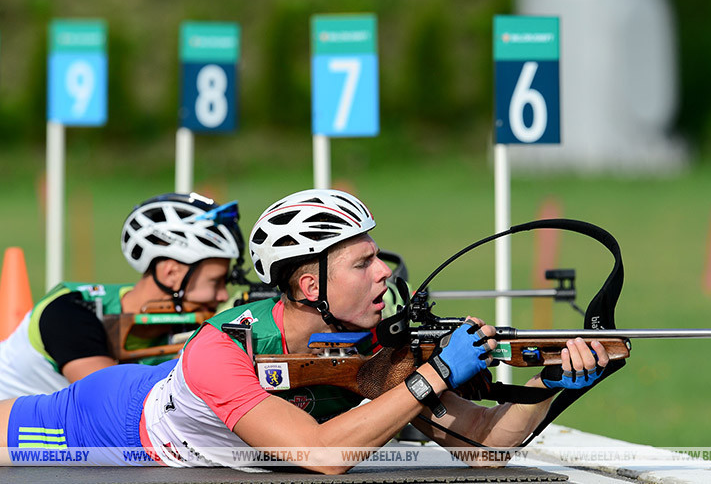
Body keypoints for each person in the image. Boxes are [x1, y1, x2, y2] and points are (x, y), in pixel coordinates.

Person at [0, 189, 609, 473]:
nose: (385, 274)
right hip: (114, 416)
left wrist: (556, 383)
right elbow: (323, 456)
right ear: (312, 286)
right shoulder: (221, 347)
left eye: (380, 259)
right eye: (362, 263)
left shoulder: (378, 349)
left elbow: (485, 449)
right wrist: (434, 376)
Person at [0, 192, 243, 399]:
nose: (223, 294)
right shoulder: (68, 311)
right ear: (171, 273)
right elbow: (111, 403)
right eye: (216, 281)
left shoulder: (181, 321)